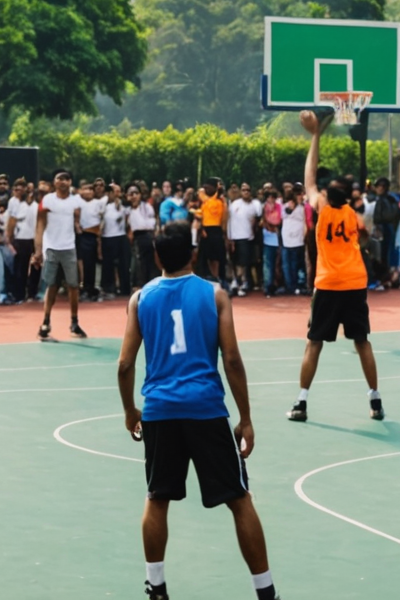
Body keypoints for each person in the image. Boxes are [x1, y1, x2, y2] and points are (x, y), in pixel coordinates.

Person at [116, 222, 278, 600]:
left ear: (156, 256)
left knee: (157, 498)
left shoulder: (140, 299)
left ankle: (156, 586)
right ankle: (266, 591)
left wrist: (130, 411)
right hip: (205, 409)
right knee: (239, 499)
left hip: (159, 410)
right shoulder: (215, 295)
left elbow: (124, 364)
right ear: (193, 253)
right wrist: (246, 418)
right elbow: (232, 359)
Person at [287, 109, 382, 424]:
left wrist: (315, 135)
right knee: (362, 341)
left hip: (328, 284)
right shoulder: (353, 215)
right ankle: (375, 399)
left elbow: (309, 178)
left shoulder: (322, 208)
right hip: (354, 282)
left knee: (314, 343)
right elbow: (366, 237)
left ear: (328, 194)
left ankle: (301, 402)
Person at [36, 170, 88, 340]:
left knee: (73, 286)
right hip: (51, 248)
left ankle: (74, 323)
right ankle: (45, 322)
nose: (63, 181)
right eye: (59, 178)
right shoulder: (47, 200)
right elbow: (40, 224)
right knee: (52, 285)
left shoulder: (76, 201)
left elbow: (79, 219)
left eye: (66, 179)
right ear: (54, 182)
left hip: (69, 248)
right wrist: (38, 249)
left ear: (70, 182)